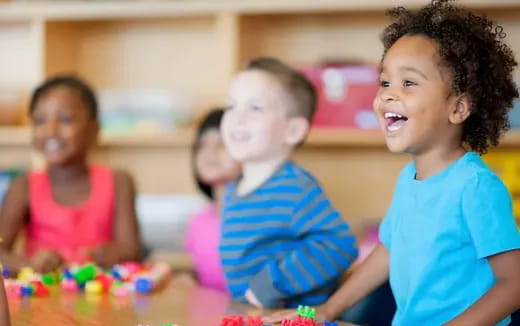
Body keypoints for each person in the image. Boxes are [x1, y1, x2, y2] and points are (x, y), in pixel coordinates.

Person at [266, 1, 520, 324]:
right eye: (385, 83)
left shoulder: (475, 186)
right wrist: (325, 311)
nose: (387, 95)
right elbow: (387, 253)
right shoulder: (409, 178)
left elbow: (514, 284)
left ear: (458, 108)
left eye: (408, 83)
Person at [220, 57, 358, 309]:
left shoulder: (296, 188)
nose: (236, 118)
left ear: (292, 131)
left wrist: (272, 283)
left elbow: (338, 246)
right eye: (231, 106)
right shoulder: (232, 190)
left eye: (255, 108)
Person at [0, 75, 141, 274]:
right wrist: (30, 265)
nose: (51, 130)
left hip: (105, 301)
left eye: (65, 119)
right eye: (40, 120)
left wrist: (113, 253)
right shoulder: (24, 185)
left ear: (94, 130)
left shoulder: (119, 182)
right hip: (41, 302)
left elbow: (131, 249)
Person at [184, 108, 241, 291]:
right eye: (201, 145)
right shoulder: (197, 222)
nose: (209, 153)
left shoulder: (261, 219)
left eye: (221, 144)